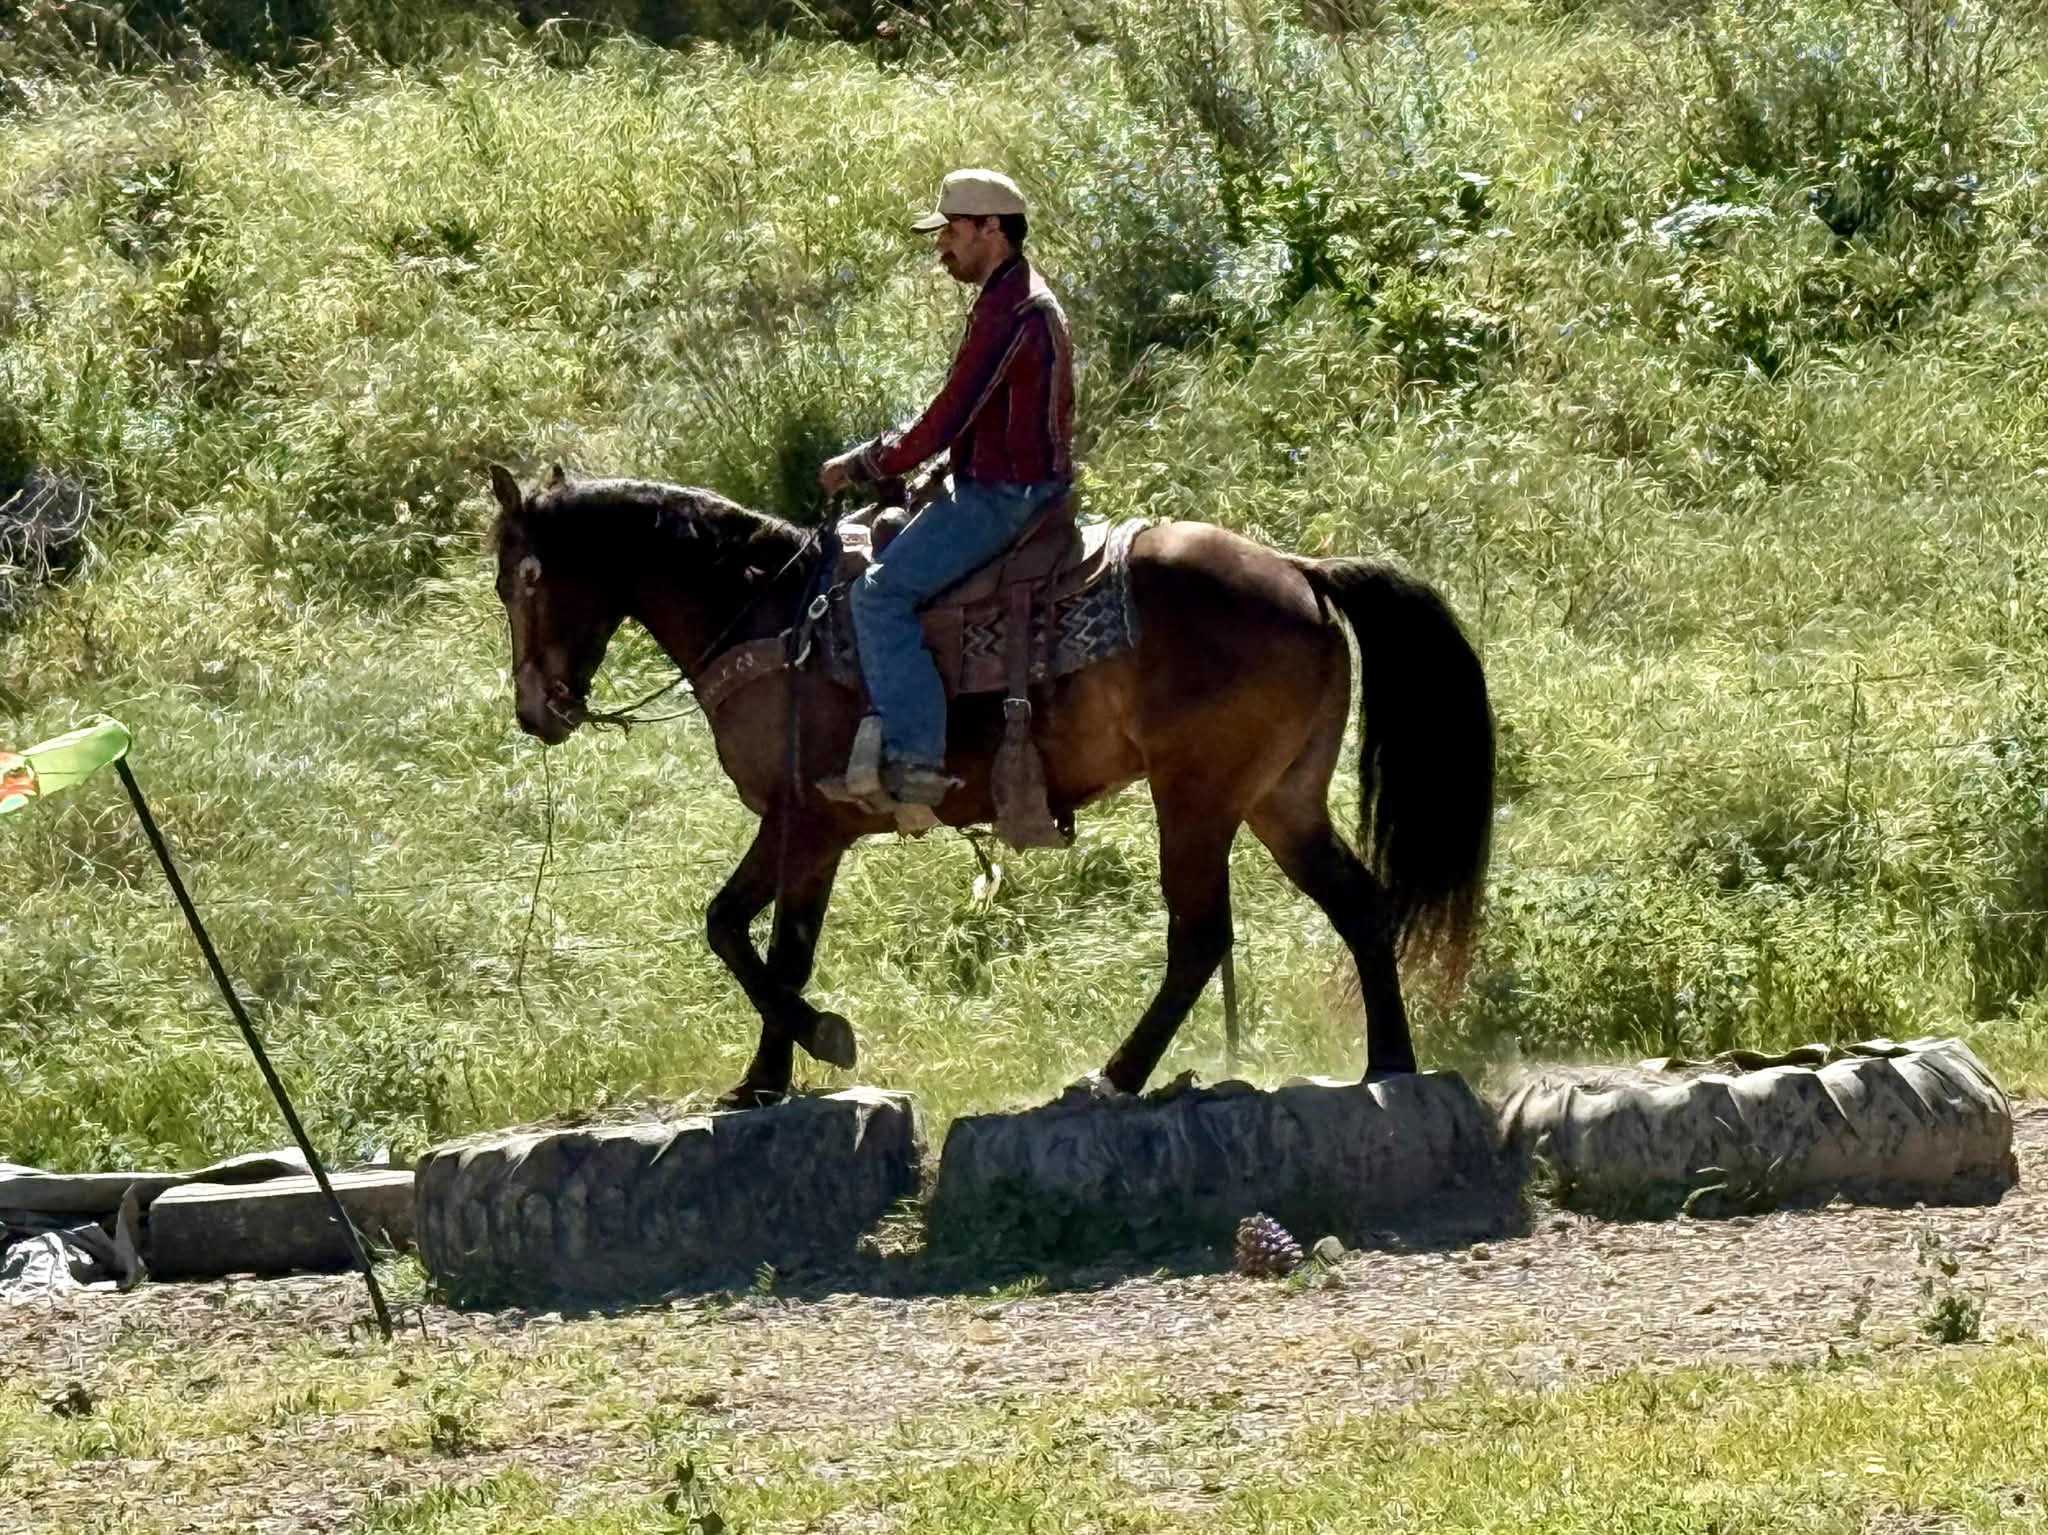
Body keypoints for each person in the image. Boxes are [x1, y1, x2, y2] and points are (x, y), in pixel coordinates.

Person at [818, 167, 1075, 808]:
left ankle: (915, 758)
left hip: (1005, 496)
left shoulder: (1013, 311)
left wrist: (865, 464)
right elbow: (975, 415)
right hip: (1006, 483)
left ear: (991, 228)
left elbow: (949, 413)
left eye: (952, 231)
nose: (942, 247)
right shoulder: (1012, 298)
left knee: (878, 596)